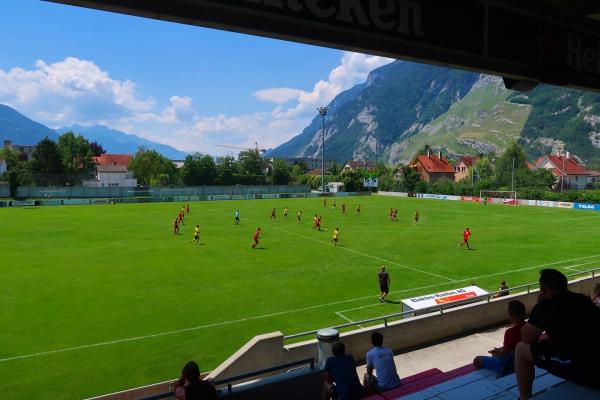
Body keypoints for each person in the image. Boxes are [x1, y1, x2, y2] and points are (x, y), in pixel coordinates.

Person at [515, 269, 600, 399]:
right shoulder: (582, 299)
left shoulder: (545, 307)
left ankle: (524, 398)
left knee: (520, 349)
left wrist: (539, 308)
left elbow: (526, 337)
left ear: (543, 289)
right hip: (594, 359)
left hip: (588, 372)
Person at [473, 300, 526, 376]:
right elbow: (514, 346)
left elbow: (503, 354)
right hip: (524, 362)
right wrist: (500, 349)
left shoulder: (510, 332)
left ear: (511, 314)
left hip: (510, 366)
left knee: (477, 360)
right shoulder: (529, 328)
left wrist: (497, 352)